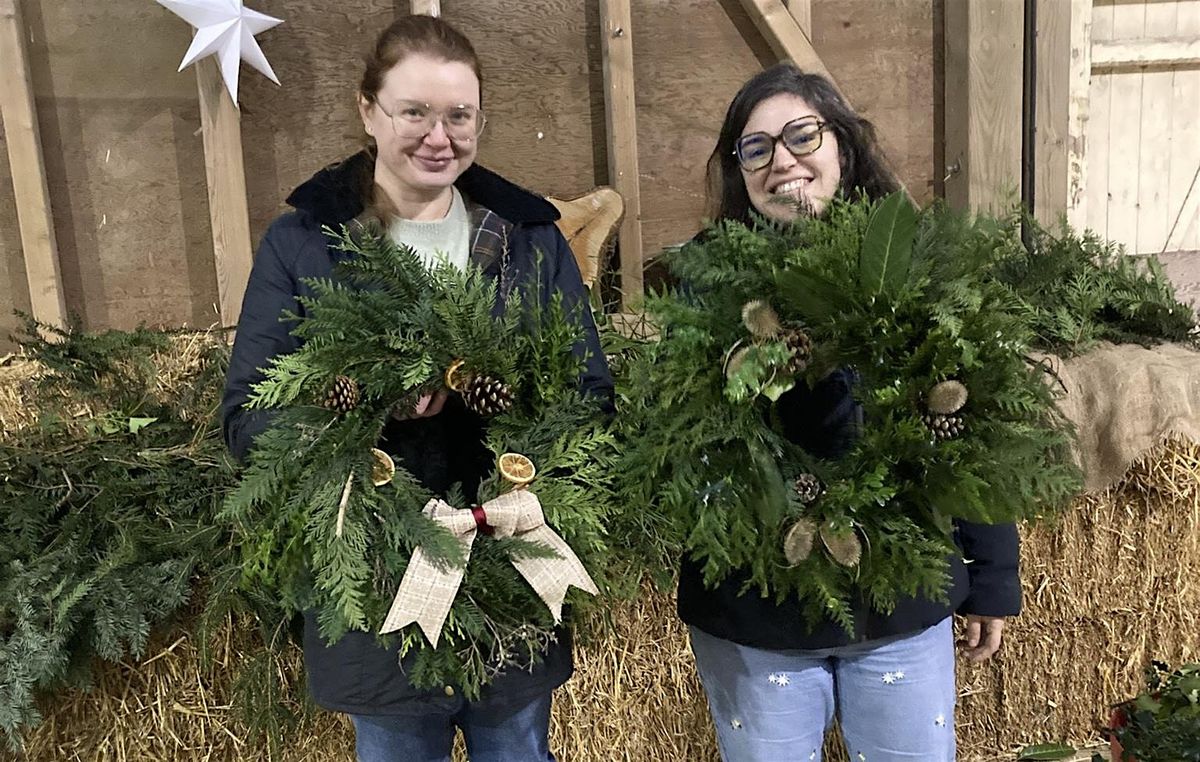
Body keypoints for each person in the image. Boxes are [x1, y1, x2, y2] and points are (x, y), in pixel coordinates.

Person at [221, 15, 610, 762]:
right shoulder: (306, 241)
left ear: (479, 120)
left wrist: (510, 405)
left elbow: (587, 396)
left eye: (459, 116)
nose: (439, 136)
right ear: (368, 110)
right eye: (415, 113)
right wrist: (367, 402)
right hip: (376, 589)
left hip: (510, 568)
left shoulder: (529, 238)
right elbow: (249, 416)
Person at [677, 62, 1018, 762]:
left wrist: (993, 575)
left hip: (900, 602)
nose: (782, 161)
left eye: (802, 135)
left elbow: (968, 427)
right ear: (739, 172)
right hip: (755, 613)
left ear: (842, 145)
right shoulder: (700, 287)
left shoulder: (916, 270)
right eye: (756, 148)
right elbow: (680, 444)